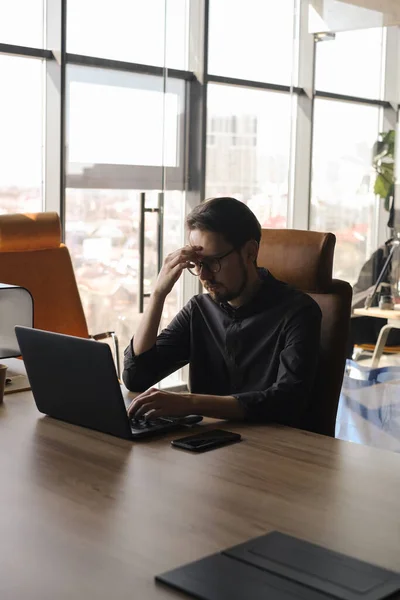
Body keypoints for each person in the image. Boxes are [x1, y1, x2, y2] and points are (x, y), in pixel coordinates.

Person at [123, 197, 322, 427]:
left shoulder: (299, 312)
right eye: (197, 264)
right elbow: (136, 378)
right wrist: (158, 294)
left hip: (272, 451)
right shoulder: (199, 310)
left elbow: (287, 401)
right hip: (206, 447)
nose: (204, 276)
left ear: (250, 252)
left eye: (213, 262)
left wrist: (190, 403)